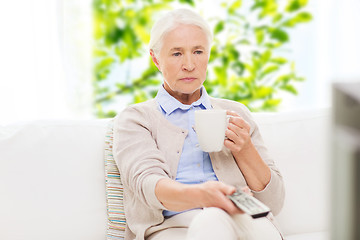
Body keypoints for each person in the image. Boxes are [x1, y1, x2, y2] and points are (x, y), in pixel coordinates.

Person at [113, 8, 285, 240]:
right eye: (176, 54)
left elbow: (273, 203)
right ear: (156, 59)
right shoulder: (136, 119)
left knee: (223, 219)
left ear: (208, 55)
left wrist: (245, 150)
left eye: (198, 51)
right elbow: (148, 186)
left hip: (243, 220)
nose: (190, 65)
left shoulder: (235, 113)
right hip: (171, 228)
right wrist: (204, 196)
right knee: (212, 218)